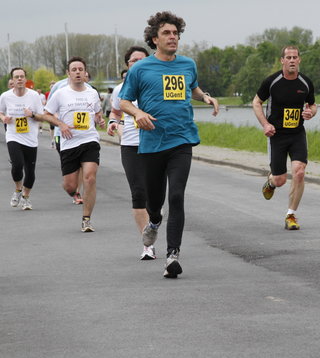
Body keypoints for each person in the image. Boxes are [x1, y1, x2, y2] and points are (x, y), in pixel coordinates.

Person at [119, 11, 219, 278]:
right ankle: (153, 221)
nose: (173, 37)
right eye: (167, 33)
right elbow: (124, 102)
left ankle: (172, 254)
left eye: (176, 33)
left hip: (181, 139)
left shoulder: (188, 64)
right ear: (155, 38)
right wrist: (137, 113)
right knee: (155, 201)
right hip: (152, 144)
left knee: (176, 196)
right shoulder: (140, 69)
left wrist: (205, 98)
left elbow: (193, 88)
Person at [252, 46, 317, 230]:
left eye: (295, 57)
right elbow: (256, 102)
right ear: (282, 60)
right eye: (288, 57)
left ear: (299, 60)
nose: (291, 60)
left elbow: (313, 105)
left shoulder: (305, 83)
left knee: (299, 171)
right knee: (280, 180)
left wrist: (310, 113)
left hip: (297, 134)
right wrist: (265, 124)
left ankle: (291, 215)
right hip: (277, 136)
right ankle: (271, 182)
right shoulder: (272, 82)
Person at [43, 57, 105, 232]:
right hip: (69, 143)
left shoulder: (92, 92)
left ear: (85, 73)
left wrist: (99, 120)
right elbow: (46, 114)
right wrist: (61, 124)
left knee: (90, 177)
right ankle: (72, 192)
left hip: (89, 139)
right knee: (70, 185)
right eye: (74, 69)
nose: (78, 72)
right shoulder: (61, 93)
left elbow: (97, 113)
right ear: (68, 73)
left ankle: (86, 219)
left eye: (81, 69)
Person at [107, 46, 155, 260]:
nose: (137, 63)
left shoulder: (156, 84)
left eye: (141, 59)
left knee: (155, 196)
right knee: (138, 192)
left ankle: (154, 221)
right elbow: (116, 111)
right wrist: (113, 123)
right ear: (128, 65)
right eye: (133, 60)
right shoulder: (120, 89)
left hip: (155, 144)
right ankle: (147, 246)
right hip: (131, 144)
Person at [0, 67, 46, 210]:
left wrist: (31, 114)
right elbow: (0, 112)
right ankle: (18, 190)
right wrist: (4, 118)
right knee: (17, 164)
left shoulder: (34, 96)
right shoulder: (5, 96)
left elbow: (42, 117)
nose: (19, 79)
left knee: (30, 171)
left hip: (30, 138)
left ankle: (26, 197)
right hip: (13, 135)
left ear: (25, 79)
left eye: (21, 76)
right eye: (16, 77)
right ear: (12, 80)